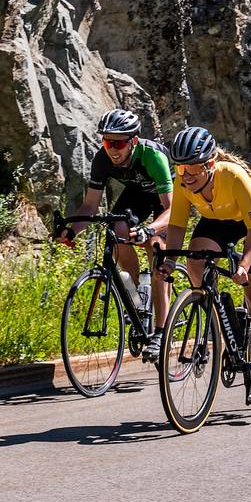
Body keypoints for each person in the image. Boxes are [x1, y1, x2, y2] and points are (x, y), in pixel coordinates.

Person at [162, 126, 251, 402]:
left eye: (192, 169)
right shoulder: (183, 183)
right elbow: (177, 225)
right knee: (195, 261)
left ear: (209, 164)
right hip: (220, 221)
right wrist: (169, 261)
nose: (186, 176)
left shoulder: (233, 177)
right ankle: (220, 323)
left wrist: (244, 264)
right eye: (180, 169)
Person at [59, 109, 173, 358]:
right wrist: (71, 231)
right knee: (117, 229)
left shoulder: (153, 157)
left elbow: (171, 209)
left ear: (133, 141)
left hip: (167, 199)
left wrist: (149, 230)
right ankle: (137, 301)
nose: (112, 149)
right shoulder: (102, 160)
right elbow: (90, 206)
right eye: (107, 142)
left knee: (156, 249)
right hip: (139, 194)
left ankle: (161, 332)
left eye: (118, 143)